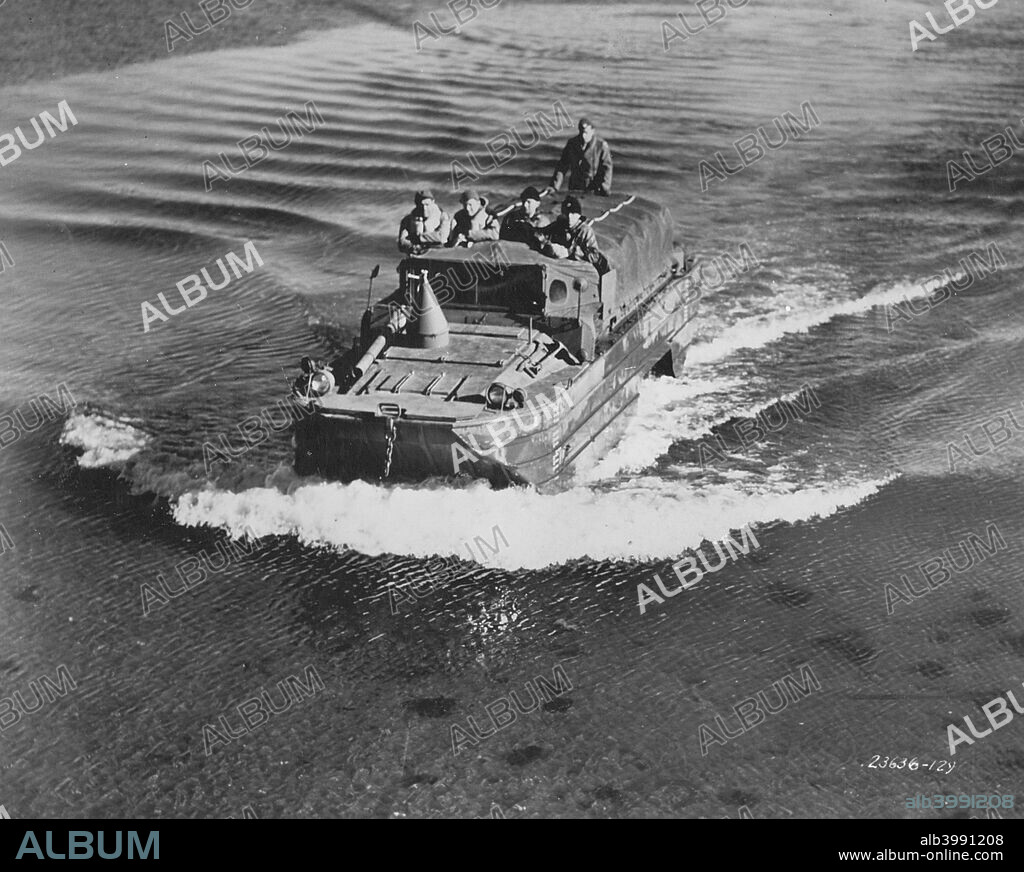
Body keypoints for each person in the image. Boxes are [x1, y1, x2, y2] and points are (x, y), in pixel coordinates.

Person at [538, 196, 609, 273]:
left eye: (573, 213)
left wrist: (573, 252)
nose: (569, 217)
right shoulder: (558, 226)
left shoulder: (585, 231)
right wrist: (546, 243)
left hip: (579, 271)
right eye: (566, 213)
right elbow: (541, 233)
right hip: (558, 268)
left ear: (578, 215)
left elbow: (594, 256)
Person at [550, 118, 613, 196]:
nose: (583, 136)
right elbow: (562, 166)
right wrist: (554, 186)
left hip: (593, 187)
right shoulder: (572, 144)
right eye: (581, 132)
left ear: (592, 131)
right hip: (574, 186)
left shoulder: (601, 145)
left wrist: (605, 187)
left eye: (586, 133)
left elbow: (607, 168)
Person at [398, 189, 452, 254]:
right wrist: (412, 247)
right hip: (416, 253)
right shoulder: (407, 220)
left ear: (433, 202)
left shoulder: (443, 216)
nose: (424, 208)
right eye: (421, 205)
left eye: (427, 204)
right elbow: (402, 242)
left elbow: (442, 237)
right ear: (416, 204)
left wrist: (419, 238)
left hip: (437, 254)